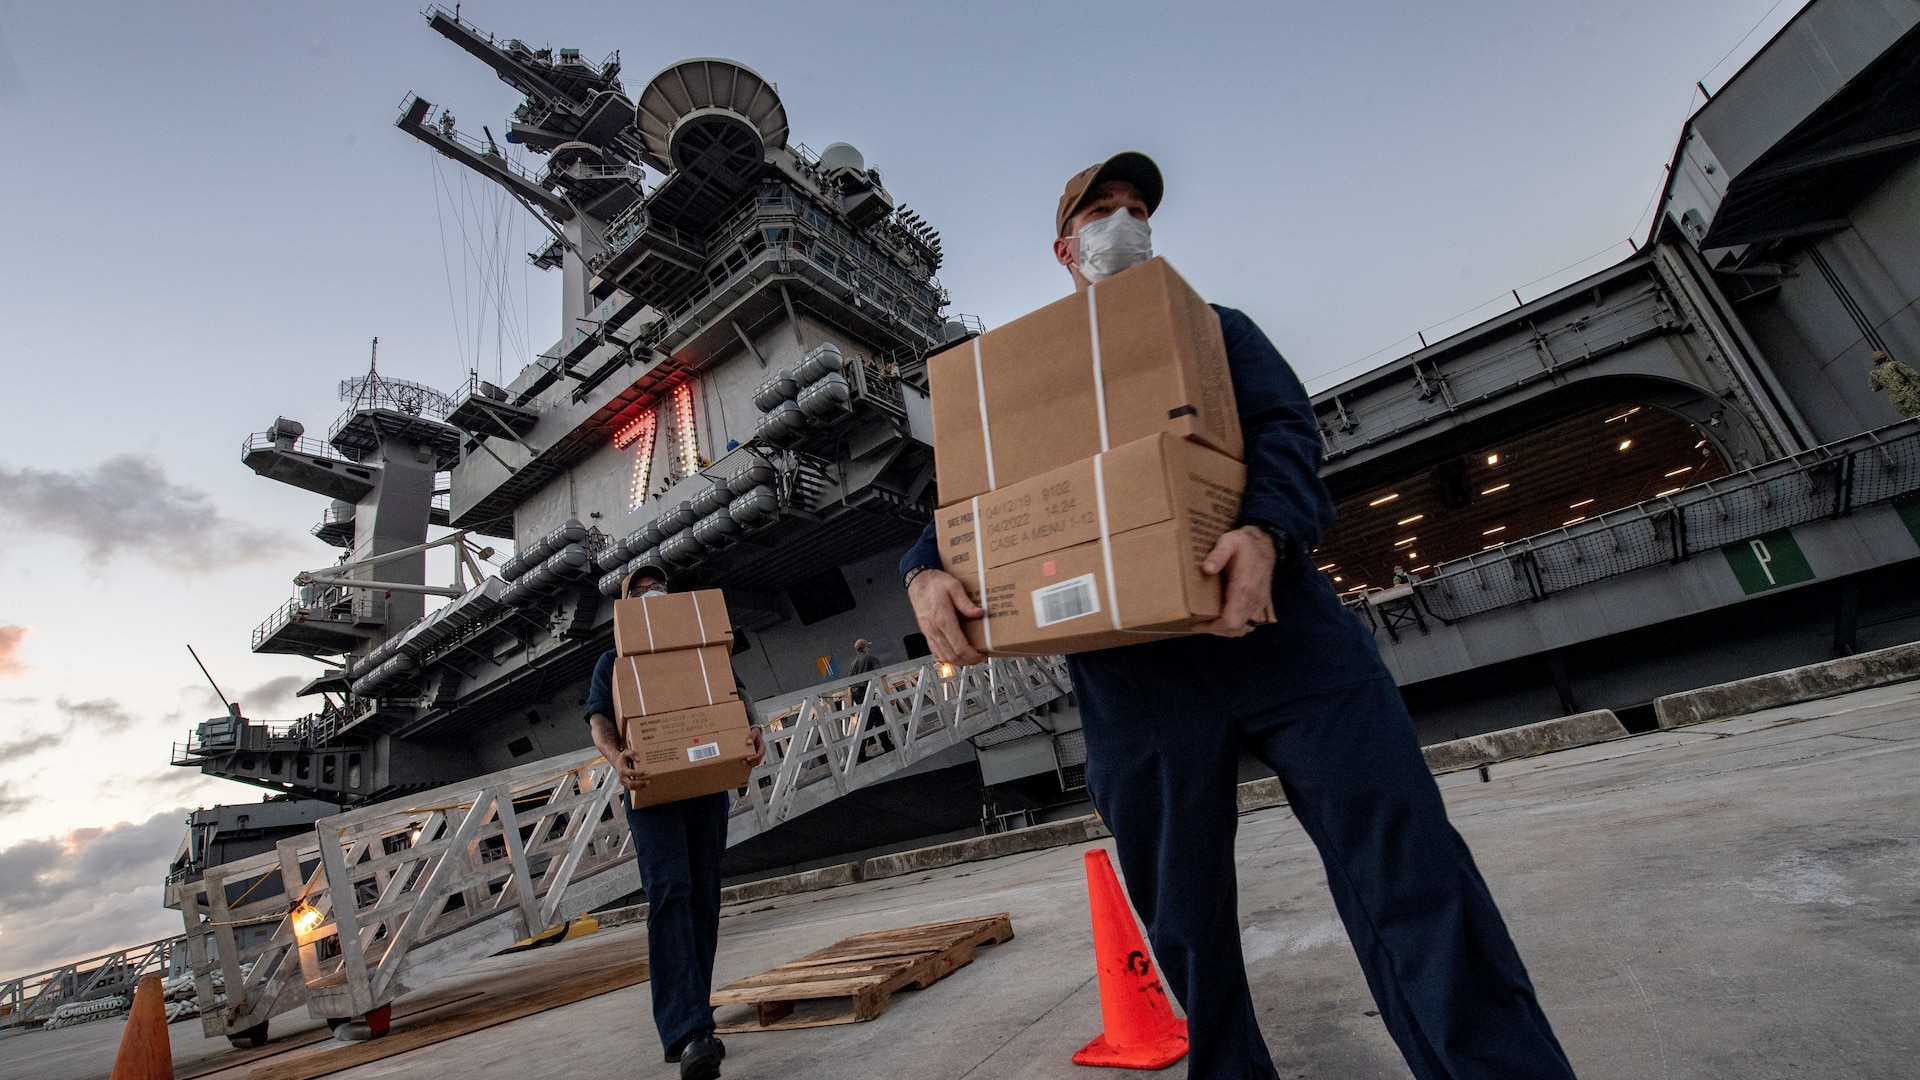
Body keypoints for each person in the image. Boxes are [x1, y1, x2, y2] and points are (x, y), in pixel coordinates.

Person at [899, 153, 1577, 1080]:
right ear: (1064, 247)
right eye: (1104, 210)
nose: (1125, 223)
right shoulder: (1023, 376)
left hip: (1281, 633)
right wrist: (921, 575)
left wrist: (1264, 529)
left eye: (1139, 209)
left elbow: (1289, 434)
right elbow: (968, 499)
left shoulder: (1217, 332)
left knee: (1412, 871)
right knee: (1185, 924)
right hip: (1134, 678)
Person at [585, 563, 765, 1080]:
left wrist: (754, 733)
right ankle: (687, 1030)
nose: (652, 595)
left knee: (705, 896)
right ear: (625, 606)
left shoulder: (704, 651)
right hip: (652, 790)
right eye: (640, 591)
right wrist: (616, 757)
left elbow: (737, 698)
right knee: (670, 894)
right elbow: (599, 716)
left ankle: (693, 1016)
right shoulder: (613, 661)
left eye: (658, 589)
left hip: (706, 786)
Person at [846, 638, 895, 759]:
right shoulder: (873, 659)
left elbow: (849, 685)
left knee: (876, 719)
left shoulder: (853, 663)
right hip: (866, 692)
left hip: (857, 694)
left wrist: (850, 706)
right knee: (867, 723)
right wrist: (890, 695)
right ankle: (860, 754)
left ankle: (886, 745)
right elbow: (882, 678)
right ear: (866, 648)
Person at [1868, 350, 1920, 419]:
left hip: (1898, 403)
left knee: (1915, 419)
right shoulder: (1895, 364)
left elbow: (1875, 388)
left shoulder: (1874, 374)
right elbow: (1914, 375)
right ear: (1885, 357)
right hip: (1911, 395)